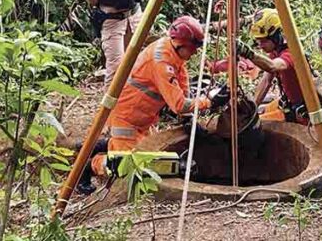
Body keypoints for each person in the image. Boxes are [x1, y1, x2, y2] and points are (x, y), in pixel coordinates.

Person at [77, 15, 229, 194]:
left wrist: (189, 119)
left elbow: (183, 87)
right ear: (180, 44)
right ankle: (89, 166)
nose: (195, 53)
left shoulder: (175, 56)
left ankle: (99, 146)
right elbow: (179, 104)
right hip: (126, 118)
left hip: (144, 119)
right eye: (193, 48)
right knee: (128, 165)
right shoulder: (161, 61)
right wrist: (209, 102)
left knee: (148, 152)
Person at [237, 9, 312, 124]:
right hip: (288, 104)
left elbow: (272, 66)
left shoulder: (292, 52)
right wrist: (253, 108)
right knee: (258, 114)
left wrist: (249, 54)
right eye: (259, 41)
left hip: (303, 112)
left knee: (262, 123)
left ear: (277, 36)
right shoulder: (276, 51)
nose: (261, 45)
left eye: (264, 41)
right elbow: (266, 81)